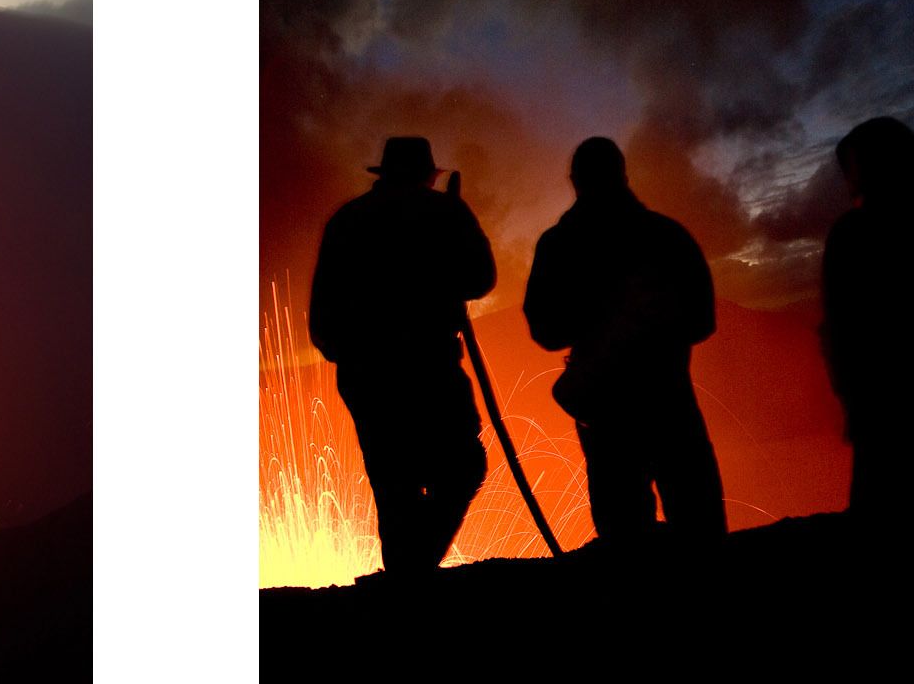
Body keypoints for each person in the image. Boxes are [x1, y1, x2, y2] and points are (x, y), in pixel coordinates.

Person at [523, 137, 726, 546]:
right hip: (670, 400)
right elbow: (702, 322)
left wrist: (594, 327)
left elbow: (545, 330)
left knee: (624, 537)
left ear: (575, 182)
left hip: (605, 411)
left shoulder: (559, 245)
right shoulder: (667, 236)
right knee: (700, 524)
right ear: (623, 175)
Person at [308, 136, 495, 577]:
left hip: (365, 374)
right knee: (462, 468)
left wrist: (352, 355)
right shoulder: (442, 212)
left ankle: (403, 586)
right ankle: (412, 573)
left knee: (396, 487)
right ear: (429, 175)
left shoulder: (347, 220)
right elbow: (481, 278)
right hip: (430, 367)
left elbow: (323, 317)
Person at [821, 116, 914, 528]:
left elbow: (841, 329)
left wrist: (852, 400)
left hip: (882, 416)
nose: (846, 178)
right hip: (894, 405)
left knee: (881, 523)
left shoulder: (853, 234)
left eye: (851, 166)